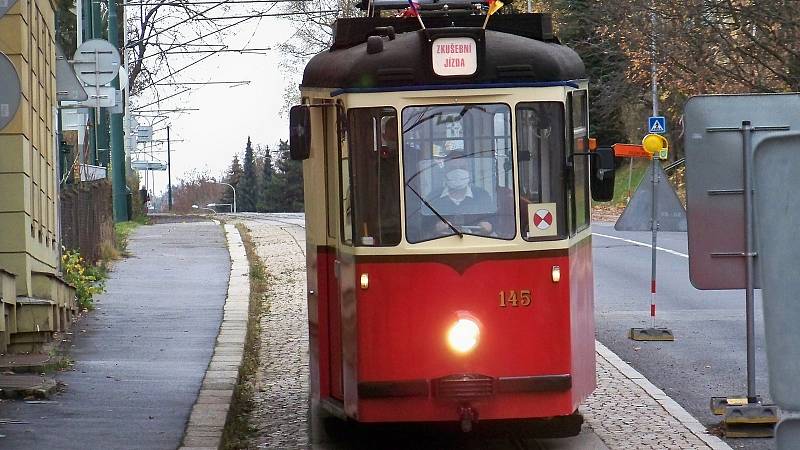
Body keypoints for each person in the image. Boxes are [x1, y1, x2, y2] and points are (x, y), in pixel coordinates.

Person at [428, 155, 495, 235]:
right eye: (452, 168)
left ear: (469, 172)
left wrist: (490, 226)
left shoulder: (482, 196)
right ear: (445, 172)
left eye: (462, 168)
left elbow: (495, 221)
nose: (458, 172)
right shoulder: (433, 198)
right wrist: (435, 227)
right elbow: (424, 227)